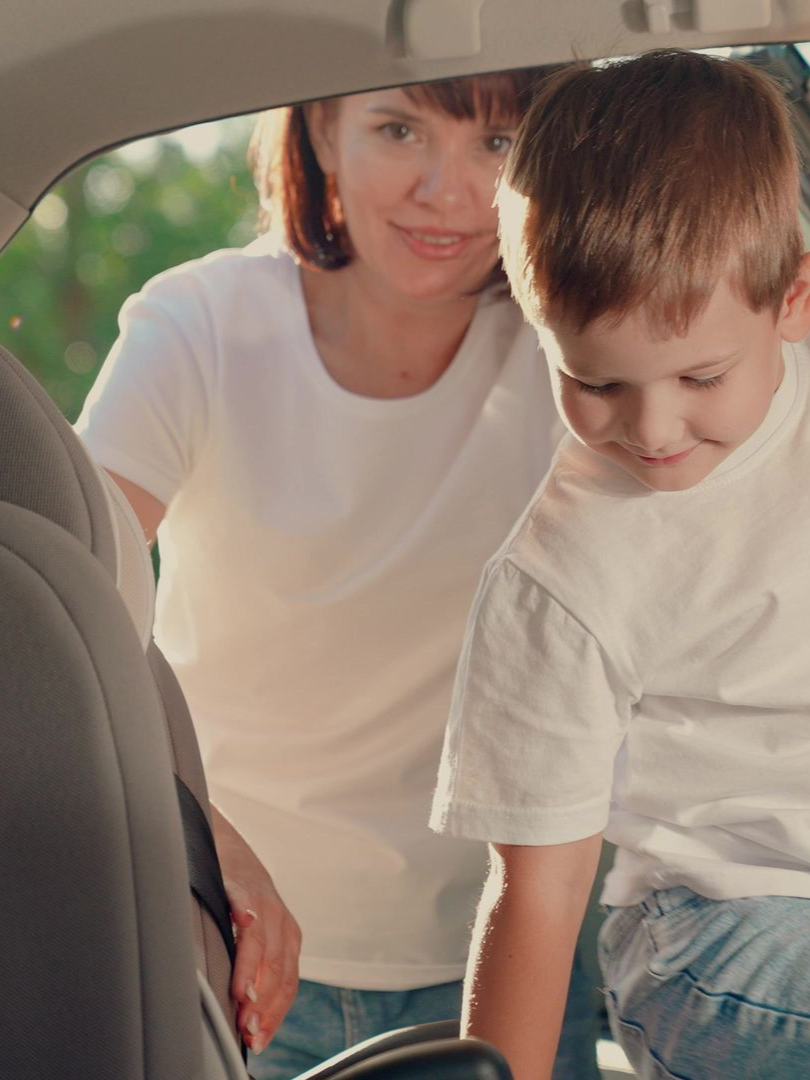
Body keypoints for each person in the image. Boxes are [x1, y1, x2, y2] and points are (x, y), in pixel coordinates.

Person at [75, 71, 601, 1078]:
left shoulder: (571, 351)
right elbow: (68, 616)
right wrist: (199, 835)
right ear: (320, 127)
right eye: (400, 129)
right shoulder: (202, 328)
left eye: (496, 145)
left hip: (505, 958)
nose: (447, 193)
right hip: (241, 954)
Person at [430, 48, 810, 1080]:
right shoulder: (560, 578)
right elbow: (537, 890)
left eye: (700, 374)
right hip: (706, 936)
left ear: (793, 302)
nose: (652, 429)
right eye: (592, 381)